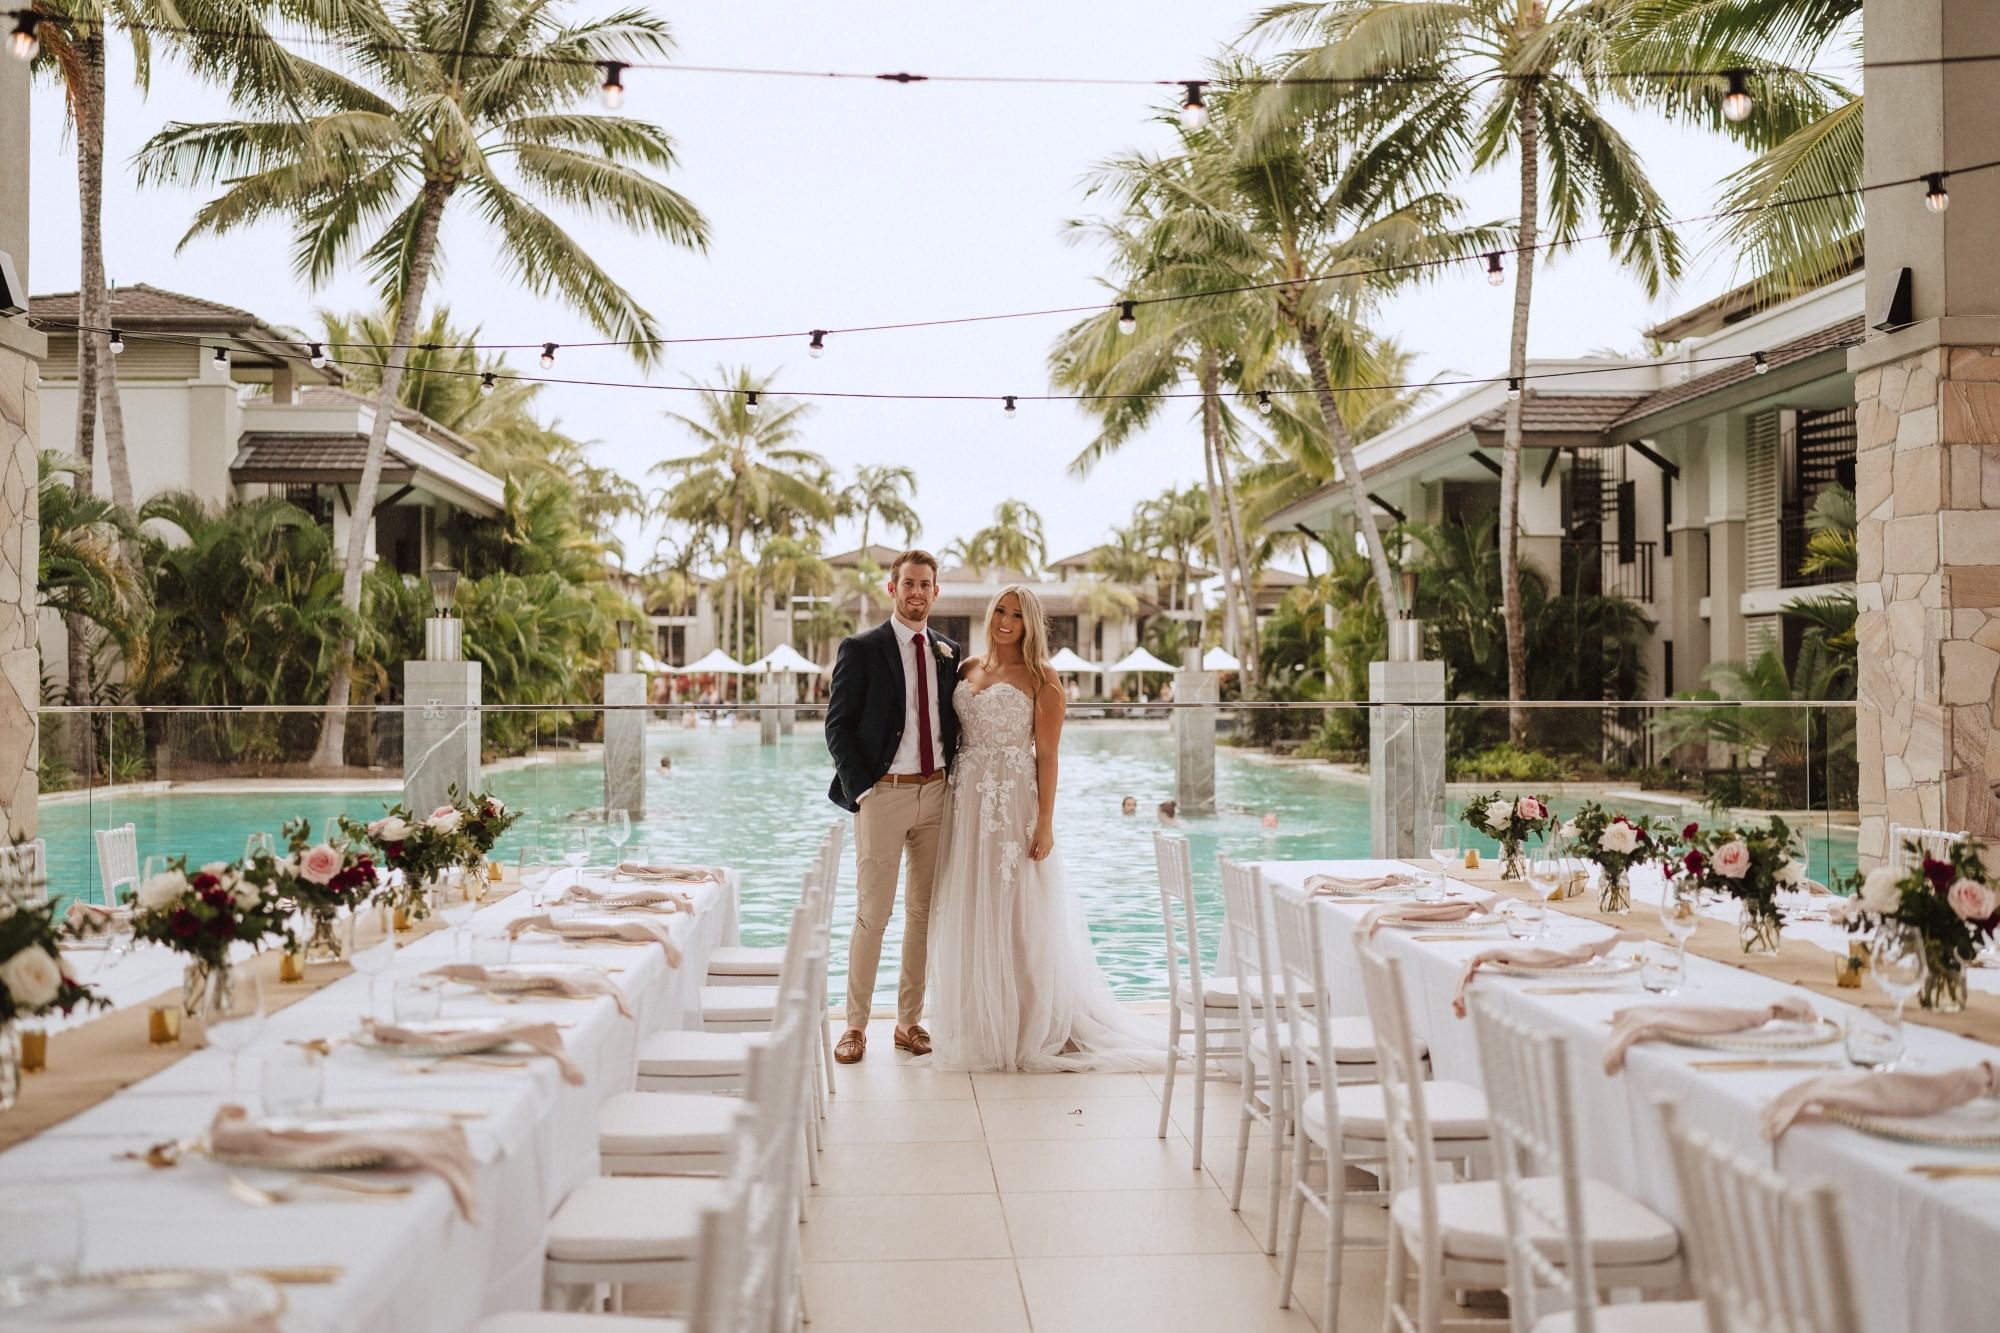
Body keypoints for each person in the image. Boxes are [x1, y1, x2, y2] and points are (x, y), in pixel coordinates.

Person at [924, 585, 1160, 1072]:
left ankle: (1027, 1021)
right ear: (989, 615)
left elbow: (1049, 756)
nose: (1006, 622)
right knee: (971, 904)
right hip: (966, 803)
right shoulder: (966, 669)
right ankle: (978, 1018)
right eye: (1000, 612)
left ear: (1031, 624)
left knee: (1017, 911)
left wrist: (1046, 822)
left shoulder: (1042, 678)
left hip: (1014, 804)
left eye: (1017, 615)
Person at [823, 549, 960, 1063]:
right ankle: (854, 1025)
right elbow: (836, 727)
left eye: (926, 584)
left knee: (922, 914)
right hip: (883, 794)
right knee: (872, 915)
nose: (917, 592)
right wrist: (864, 790)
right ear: (892, 588)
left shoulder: (949, 649)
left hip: (937, 794)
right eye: (908, 583)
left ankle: (908, 1022)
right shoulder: (861, 649)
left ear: (935, 591)